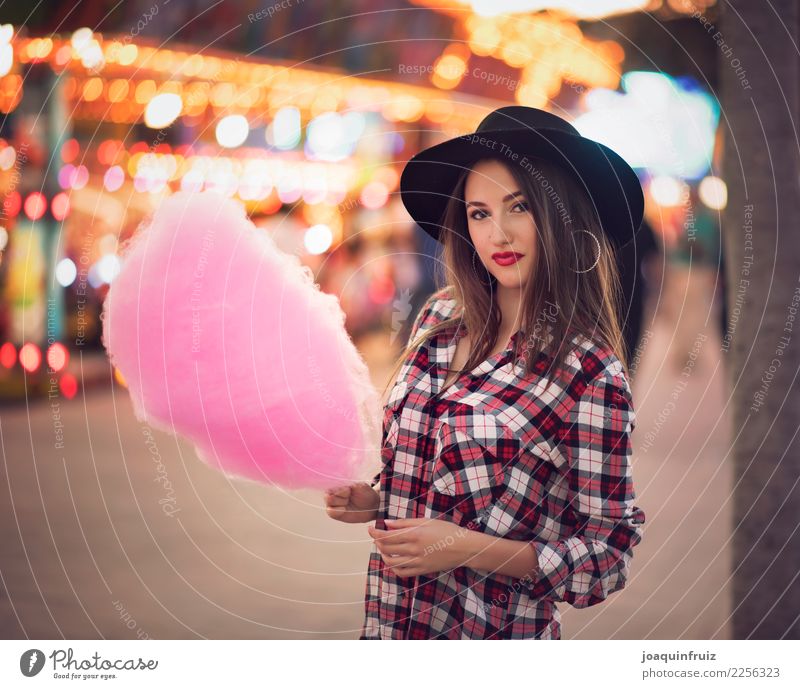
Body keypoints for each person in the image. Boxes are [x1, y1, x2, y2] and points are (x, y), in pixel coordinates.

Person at [325, 106, 647, 640]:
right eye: (479, 213)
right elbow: (458, 479)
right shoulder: (439, 319)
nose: (498, 233)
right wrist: (380, 500)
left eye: (518, 207)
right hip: (389, 630)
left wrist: (468, 549)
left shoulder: (589, 372)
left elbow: (606, 558)